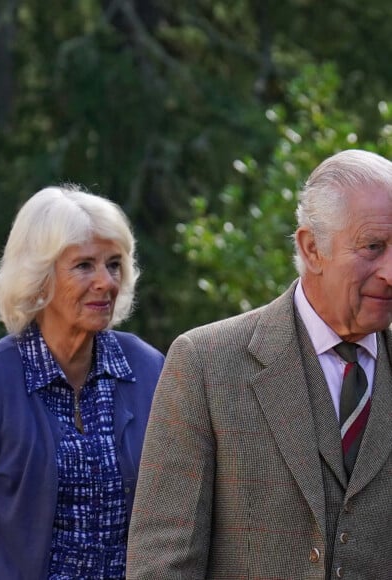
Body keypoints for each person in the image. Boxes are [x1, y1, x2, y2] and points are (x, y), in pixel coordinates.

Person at [126, 149, 392, 578]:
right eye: (373, 247)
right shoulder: (205, 365)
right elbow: (162, 565)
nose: (391, 272)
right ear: (312, 248)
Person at [0, 186, 164, 579]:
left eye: (113, 264)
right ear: (39, 278)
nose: (106, 282)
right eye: (84, 266)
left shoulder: (147, 370)